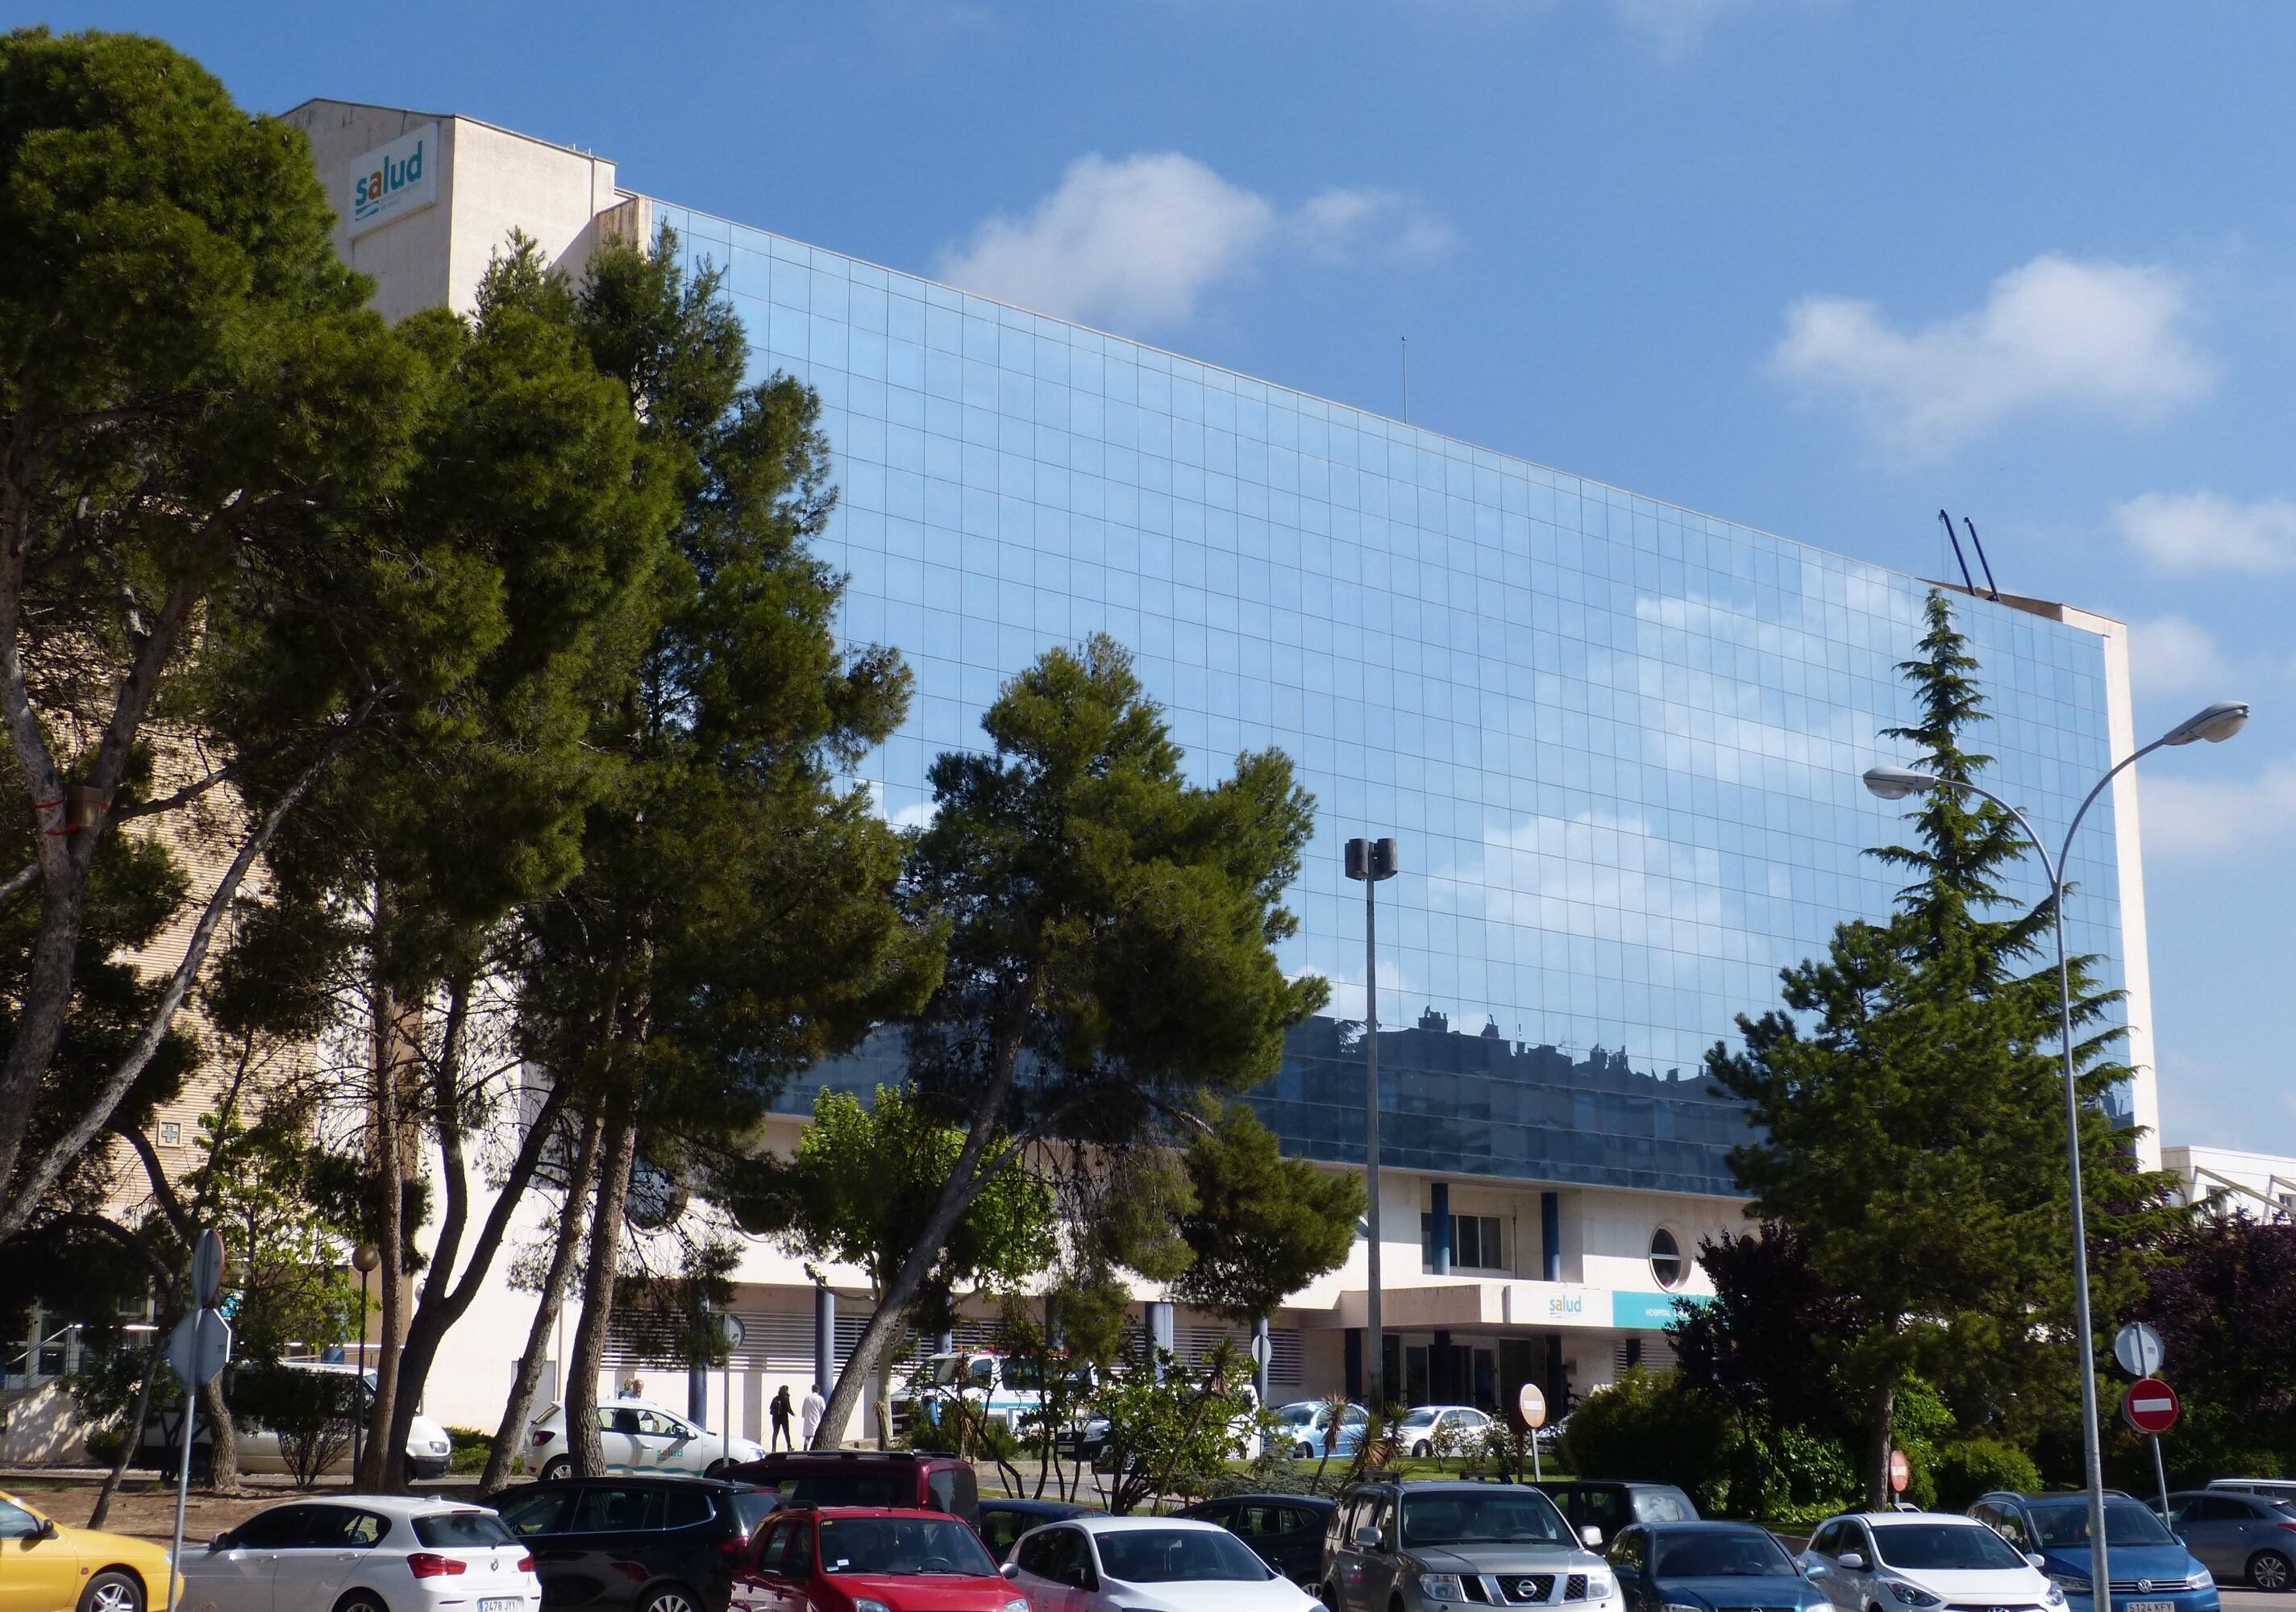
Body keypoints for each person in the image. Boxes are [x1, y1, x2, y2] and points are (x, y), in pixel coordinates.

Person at [800, 1381, 826, 1447]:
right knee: (817, 1435)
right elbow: (823, 1409)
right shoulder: (820, 1399)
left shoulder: (807, 1398)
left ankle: (805, 1448)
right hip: (817, 1419)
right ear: (818, 1390)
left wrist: (803, 1415)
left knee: (807, 1437)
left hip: (808, 1420)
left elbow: (803, 1408)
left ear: (812, 1390)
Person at [770, 1383, 795, 1450]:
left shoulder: (775, 1398)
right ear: (786, 1390)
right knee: (786, 1432)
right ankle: (789, 1447)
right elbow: (788, 1407)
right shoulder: (786, 1397)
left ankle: (773, 1448)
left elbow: (771, 1407)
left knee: (775, 1432)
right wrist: (792, 1413)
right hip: (784, 1417)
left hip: (775, 1417)